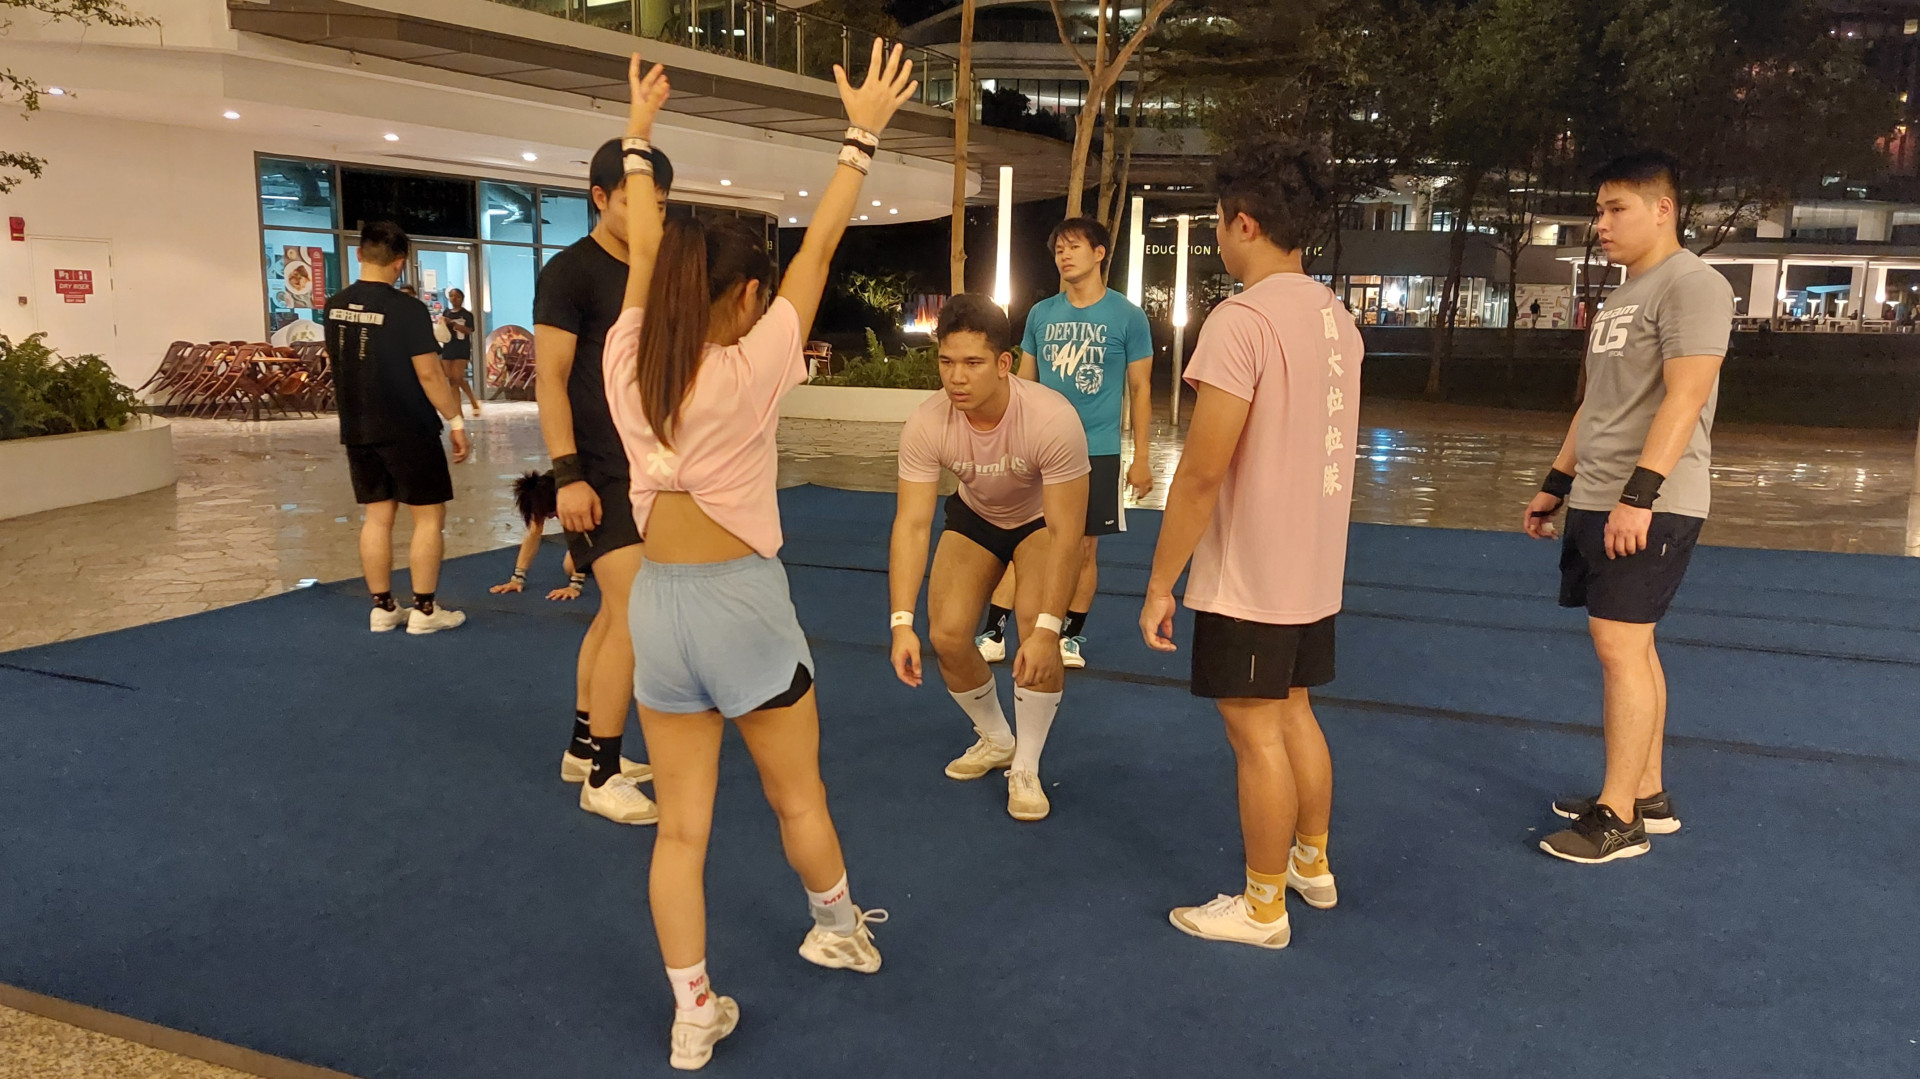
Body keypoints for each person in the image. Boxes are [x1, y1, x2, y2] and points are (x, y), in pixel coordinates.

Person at [600, 48, 916, 1070]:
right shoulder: (750, 365)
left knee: (679, 829)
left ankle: (693, 1009)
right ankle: (838, 926)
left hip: (659, 606)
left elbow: (646, 258)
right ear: (740, 297)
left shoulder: (627, 355)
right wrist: (859, 135)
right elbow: (822, 248)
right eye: (759, 289)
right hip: (743, 605)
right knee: (798, 796)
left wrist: (639, 139)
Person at [1139, 137, 1362, 949]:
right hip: (1313, 567)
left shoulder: (1242, 321)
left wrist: (1162, 580)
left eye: (1219, 226)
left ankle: (1263, 904)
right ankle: (1312, 861)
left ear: (1242, 224)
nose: (1220, 240)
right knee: (1296, 710)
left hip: (1252, 573)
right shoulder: (1337, 317)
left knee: (1255, 732)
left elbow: (1201, 472)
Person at [1523, 151, 1733, 864]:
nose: (1600, 223)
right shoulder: (1621, 297)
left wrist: (1638, 497)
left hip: (1650, 501)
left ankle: (1618, 820)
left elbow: (1686, 395)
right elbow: (1597, 404)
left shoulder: (1693, 284)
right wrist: (1557, 481)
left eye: (1616, 209)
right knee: (1633, 644)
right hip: (1600, 494)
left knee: (1618, 647)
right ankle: (1645, 793)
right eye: (1599, 209)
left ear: (1663, 209)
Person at [888, 294, 1091, 823]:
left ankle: (1026, 762)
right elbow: (911, 525)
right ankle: (997, 738)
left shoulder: (1051, 419)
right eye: (946, 362)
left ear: (1004, 363)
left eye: (973, 363)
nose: (957, 377)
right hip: (977, 517)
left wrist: (1051, 628)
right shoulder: (928, 422)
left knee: (1032, 628)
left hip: (1040, 522)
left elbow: (1069, 532)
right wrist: (900, 622)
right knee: (948, 634)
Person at [534, 134, 676, 824]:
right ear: (600, 198)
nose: (651, 215)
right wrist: (568, 476)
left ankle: (581, 746)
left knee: (611, 614)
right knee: (633, 614)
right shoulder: (570, 273)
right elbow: (551, 380)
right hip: (598, 473)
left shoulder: (653, 271)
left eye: (661, 204)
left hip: (645, 469)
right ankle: (603, 774)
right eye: (635, 201)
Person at [974, 217, 1153, 671]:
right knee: (1026, 540)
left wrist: (1143, 459)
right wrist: (1004, 442)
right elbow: (1022, 383)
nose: (1064, 256)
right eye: (1058, 250)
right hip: (1040, 449)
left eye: (1074, 247)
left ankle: (1069, 637)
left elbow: (1141, 389)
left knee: (1084, 547)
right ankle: (995, 628)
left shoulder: (1127, 316)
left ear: (1099, 253)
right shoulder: (1042, 314)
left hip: (1098, 450)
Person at [323, 221, 473, 635]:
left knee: (377, 518)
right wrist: (456, 421)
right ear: (400, 263)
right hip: (408, 426)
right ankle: (424, 611)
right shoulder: (407, 309)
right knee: (428, 518)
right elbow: (429, 375)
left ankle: (383, 607)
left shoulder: (334, 305)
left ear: (359, 254)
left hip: (357, 426)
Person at [490, 471, 591, 601]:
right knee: (570, 566)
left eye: (552, 514)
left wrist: (575, 586)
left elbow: (583, 536)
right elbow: (534, 533)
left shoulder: (573, 491)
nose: (551, 518)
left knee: (581, 564)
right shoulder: (541, 494)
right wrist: (517, 578)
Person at [440, 288, 482, 417]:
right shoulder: (446, 312)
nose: (454, 299)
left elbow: (469, 330)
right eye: (451, 296)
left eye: (457, 296)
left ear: (462, 298)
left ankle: (472, 400)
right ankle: (458, 411)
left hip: (461, 348)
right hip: (448, 347)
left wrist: (453, 324)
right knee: (451, 380)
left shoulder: (467, 314)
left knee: (457, 377)